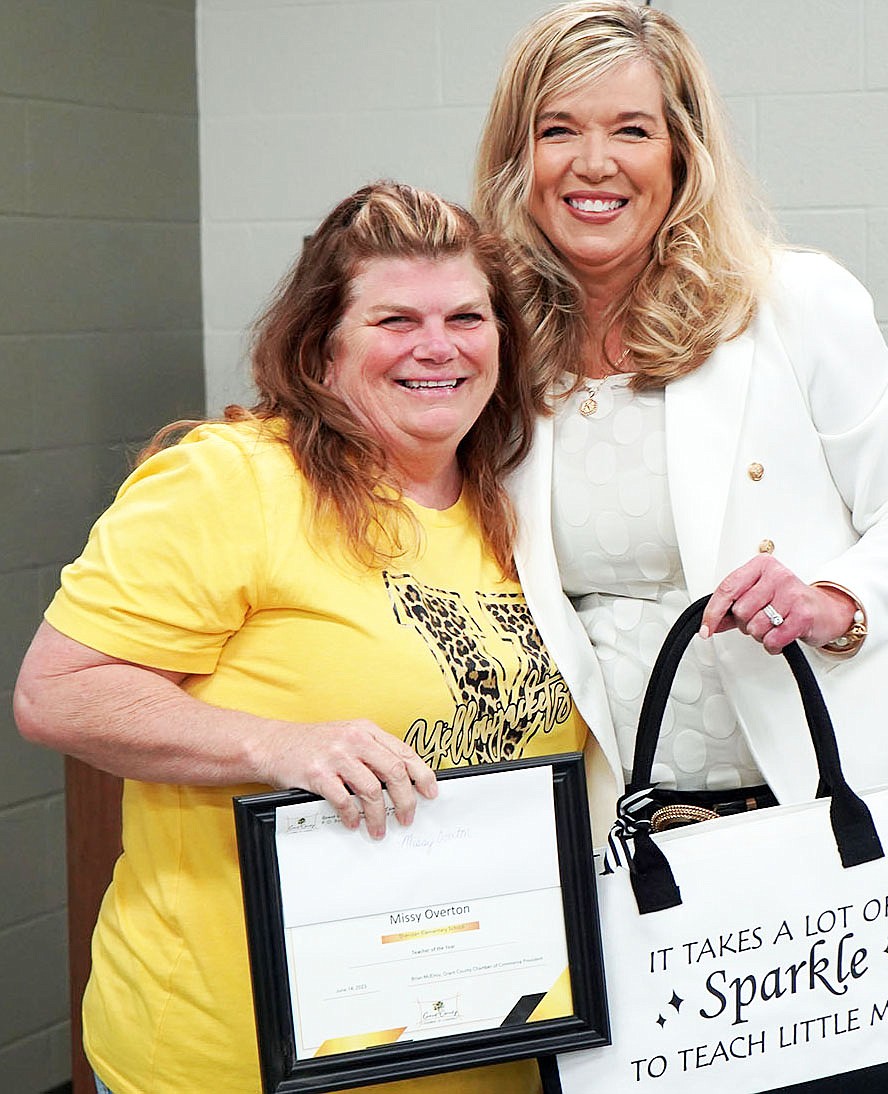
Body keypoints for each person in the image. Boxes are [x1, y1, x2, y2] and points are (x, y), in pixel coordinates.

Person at [14, 183, 605, 1094]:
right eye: (394, 319)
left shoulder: (514, 506)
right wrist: (279, 743)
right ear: (322, 347)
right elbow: (57, 694)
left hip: (482, 1048)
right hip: (237, 1054)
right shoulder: (234, 481)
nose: (437, 347)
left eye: (465, 316)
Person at [474, 0, 888, 816]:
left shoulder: (791, 300)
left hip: (820, 786)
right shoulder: (494, 342)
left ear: (682, 153)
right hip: (616, 808)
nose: (593, 163)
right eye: (556, 129)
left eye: (632, 131)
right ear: (516, 156)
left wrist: (830, 601)